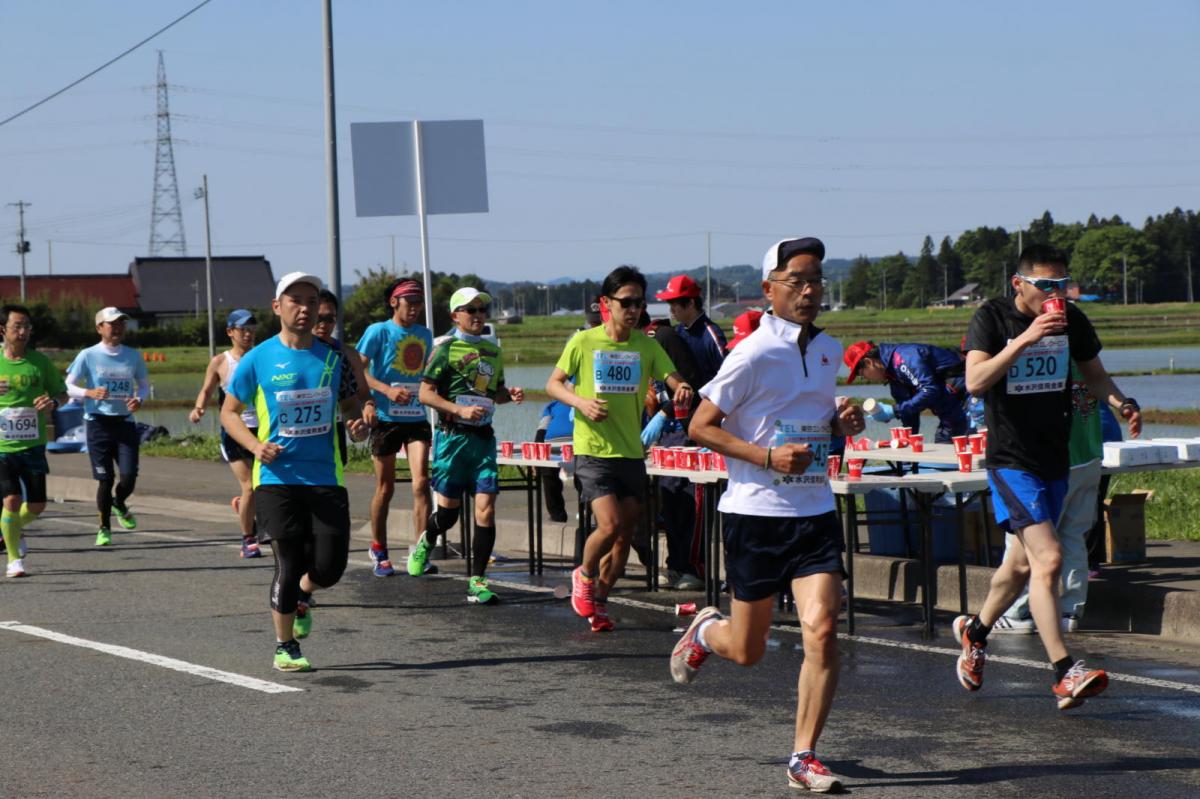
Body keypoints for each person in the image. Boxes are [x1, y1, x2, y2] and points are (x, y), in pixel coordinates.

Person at [670, 236, 864, 792]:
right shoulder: (751, 352)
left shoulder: (828, 349)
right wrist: (765, 457)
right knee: (748, 651)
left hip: (814, 509)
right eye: (796, 280)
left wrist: (840, 425)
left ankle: (804, 756)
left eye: (816, 280)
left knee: (822, 630)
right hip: (755, 515)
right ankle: (706, 632)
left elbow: (814, 422)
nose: (809, 291)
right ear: (769, 288)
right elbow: (700, 426)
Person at [956, 243, 1141, 710]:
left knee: (1020, 566)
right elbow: (975, 381)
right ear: (1019, 284)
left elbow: (1095, 376)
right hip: (1011, 460)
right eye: (1045, 286)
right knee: (1050, 558)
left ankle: (975, 632)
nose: (1056, 294)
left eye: (1062, 284)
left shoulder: (1071, 319)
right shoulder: (992, 317)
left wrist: (1122, 403)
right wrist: (1026, 339)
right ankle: (1063, 670)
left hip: (1055, 458)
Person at [221, 271, 370, 672]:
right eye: (295, 301)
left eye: (311, 301)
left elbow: (350, 405)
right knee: (287, 561)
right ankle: (285, 646)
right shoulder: (257, 358)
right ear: (277, 307)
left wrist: (355, 425)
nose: (305, 309)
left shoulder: (333, 357)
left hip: (325, 476)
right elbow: (229, 413)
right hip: (276, 478)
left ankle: (305, 592)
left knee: (330, 568)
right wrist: (255, 446)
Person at [547, 265, 692, 632]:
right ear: (606, 304)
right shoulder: (584, 342)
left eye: (639, 303)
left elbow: (672, 377)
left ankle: (599, 601)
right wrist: (581, 403)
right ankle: (584, 574)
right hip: (593, 450)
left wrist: (682, 388)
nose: (633, 309)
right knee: (609, 524)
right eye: (626, 302)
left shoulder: (647, 345)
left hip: (631, 451)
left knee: (625, 534)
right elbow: (554, 384)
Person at [417, 287, 524, 605]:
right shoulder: (445, 348)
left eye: (482, 310)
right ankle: (427, 540)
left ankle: (478, 581)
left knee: (486, 510)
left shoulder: (493, 350)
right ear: (455, 316)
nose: (478, 315)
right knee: (448, 515)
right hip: (452, 439)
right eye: (471, 310)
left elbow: (495, 394)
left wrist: (510, 395)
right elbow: (425, 394)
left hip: (483, 440)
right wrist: (459, 410)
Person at [993, 361, 1110, 634]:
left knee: (1025, 538)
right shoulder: (1085, 359)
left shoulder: (1046, 360)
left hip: (1054, 462)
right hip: (1090, 455)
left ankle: (1017, 612)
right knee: (1073, 536)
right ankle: (1070, 610)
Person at [353, 278, 435, 577]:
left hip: (415, 416)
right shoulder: (378, 331)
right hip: (386, 418)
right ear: (394, 303)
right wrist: (384, 391)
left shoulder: (425, 335)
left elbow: (429, 373)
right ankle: (379, 548)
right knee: (385, 488)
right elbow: (357, 369)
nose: (414, 307)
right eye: (409, 302)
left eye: (418, 302)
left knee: (421, 483)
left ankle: (420, 552)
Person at [66, 307, 150, 546]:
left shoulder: (133, 356)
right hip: (98, 424)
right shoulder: (88, 355)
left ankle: (119, 503)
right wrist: (89, 392)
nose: (118, 328)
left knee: (128, 478)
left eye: (121, 323)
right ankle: (104, 528)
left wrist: (139, 399)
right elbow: (68, 386)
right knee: (105, 479)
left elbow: (144, 386)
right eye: (112, 324)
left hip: (125, 424)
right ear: (99, 328)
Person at [0, 305, 68, 577]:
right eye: (17, 326)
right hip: (2, 447)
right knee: (11, 500)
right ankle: (13, 560)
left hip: (33, 444)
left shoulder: (40, 362)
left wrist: (52, 402)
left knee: (37, 505)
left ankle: (11, 528)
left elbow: (62, 393)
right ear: (2, 329)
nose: (23, 331)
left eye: (27, 326)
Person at [188, 309, 263, 558]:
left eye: (252, 329)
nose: (248, 334)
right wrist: (199, 408)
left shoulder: (262, 357)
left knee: (265, 486)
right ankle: (248, 539)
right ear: (230, 332)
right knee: (250, 486)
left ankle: (244, 507)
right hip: (233, 431)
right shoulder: (221, 362)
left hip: (262, 429)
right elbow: (206, 390)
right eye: (243, 330)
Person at [641, 322, 704, 590]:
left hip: (687, 432)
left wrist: (664, 412)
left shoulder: (663, 338)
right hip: (667, 436)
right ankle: (675, 565)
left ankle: (695, 568)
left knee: (690, 504)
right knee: (670, 504)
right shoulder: (635, 349)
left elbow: (691, 385)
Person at [843, 340, 968, 442]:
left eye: (862, 375)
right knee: (942, 446)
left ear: (868, 362)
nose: (866, 379)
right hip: (950, 414)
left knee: (953, 449)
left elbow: (930, 390)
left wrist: (895, 410)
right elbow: (909, 416)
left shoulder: (904, 358)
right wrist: (904, 442)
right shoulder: (893, 376)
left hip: (966, 402)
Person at [535, 397, 573, 523]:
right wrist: (537, 456)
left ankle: (587, 514)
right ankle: (557, 515)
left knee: (584, 476)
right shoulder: (553, 405)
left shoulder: (583, 400)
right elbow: (541, 431)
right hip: (551, 446)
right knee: (548, 475)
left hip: (577, 444)